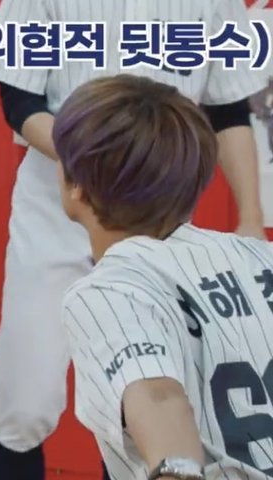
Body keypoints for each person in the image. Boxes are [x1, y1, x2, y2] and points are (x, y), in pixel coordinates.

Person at [0, 1, 267, 479]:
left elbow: (229, 109)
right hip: (60, 207)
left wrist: (251, 220)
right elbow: (20, 101)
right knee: (26, 405)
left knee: (145, 399)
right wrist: (101, 157)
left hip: (160, 217)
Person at [53, 73, 273, 480]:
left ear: (76, 187)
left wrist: (178, 468)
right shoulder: (262, 256)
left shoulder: (107, 290)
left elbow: (158, 396)